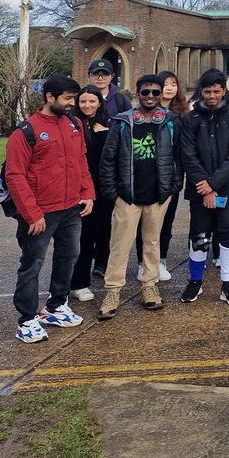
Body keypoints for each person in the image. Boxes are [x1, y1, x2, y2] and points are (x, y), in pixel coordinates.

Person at [5, 75, 94, 343]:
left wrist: (87, 193)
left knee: (69, 257)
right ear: (49, 97)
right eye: (67, 99)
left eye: (73, 99)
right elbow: (15, 175)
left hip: (70, 209)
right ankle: (27, 320)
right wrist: (31, 214)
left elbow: (81, 162)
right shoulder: (26, 131)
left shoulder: (74, 124)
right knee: (32, 265)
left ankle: (55, 307)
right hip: (40, 213)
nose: (72, 104)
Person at [96, 74, 181, 319]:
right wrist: (113, 193)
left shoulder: (170, 122)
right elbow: (108, 160)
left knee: (152, 243)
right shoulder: (123, 123)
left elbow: (178, 158)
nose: (151, 96)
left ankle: (149, 286)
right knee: (120, 245)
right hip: (127, 196)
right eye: (146, 92)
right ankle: (113, 291)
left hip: (158, 195)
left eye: (156, 92)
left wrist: (173, 188)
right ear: (138, 93)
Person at [178, 68, 229, 306]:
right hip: (200, 189)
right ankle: (195, 281)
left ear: (223, 91)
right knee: (199, 235)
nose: (211, 96)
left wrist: (214, 184)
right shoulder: (192, 118)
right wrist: (206, 188)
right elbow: (187, 154)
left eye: (216, 91)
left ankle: (227, 284)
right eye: (207, 91)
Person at [69, 85, 111, 302]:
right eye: (83, 101)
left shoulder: (107, 124)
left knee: (97, 233)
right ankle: (77, 282)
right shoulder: (71, 124)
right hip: (78, 188)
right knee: (79, 238)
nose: (87, 105)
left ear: (99, 103)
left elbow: (111, 156)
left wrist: (105, 135)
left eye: (91, 101)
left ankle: (95, 268)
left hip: (101, 189)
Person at [151, 70, 190, 280]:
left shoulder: (184, 114)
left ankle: (161, 261)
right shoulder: (146, 111)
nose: (169, 87)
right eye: (165, 84)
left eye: (173, 84)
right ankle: (144, 263)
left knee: (167, 221)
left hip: (173, 175)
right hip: (148, 176)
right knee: (147, 223)